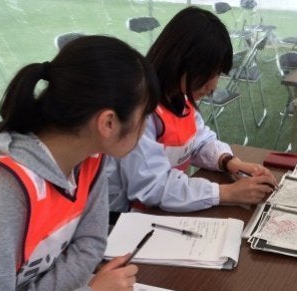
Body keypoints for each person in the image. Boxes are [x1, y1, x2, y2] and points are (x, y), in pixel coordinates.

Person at [0, 35, 160, 291]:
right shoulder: (1, 189)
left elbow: (90, 244)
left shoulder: (89, 159)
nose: (146, 127)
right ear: (108, 123)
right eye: (145, 115)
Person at [106, 6, 277, 214]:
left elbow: (198, 141)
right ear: (180, 61)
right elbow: (154, 187)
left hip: (158, 211)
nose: (213, 85)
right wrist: (227, 193)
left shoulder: (179, 96)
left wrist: (229, 162)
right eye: (208, 73)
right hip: (123, 220)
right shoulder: (139, 110)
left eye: (218, 74)